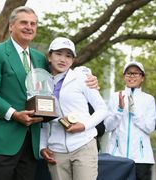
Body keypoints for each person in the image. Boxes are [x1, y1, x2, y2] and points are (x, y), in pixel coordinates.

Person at [0, 6, 98, 180]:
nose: (29, 27)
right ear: (11, 26)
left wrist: (88, 75)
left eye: (33, 24)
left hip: (30, 144)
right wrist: (14, 114)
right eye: (24, 22)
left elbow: (61, 70)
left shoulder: (39, 58)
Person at [39, 37, 109, 180]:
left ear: (72, 60)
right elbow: (43, 119)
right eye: (58, 53)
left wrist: (83, 126)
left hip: (83, 145)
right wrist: (42, 146)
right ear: (49, 56)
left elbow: (102, 109)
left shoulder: (82, 78)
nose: (63, 59)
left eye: (68, 55)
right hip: (55, 150)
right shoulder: (41, 83)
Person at [104, 61, 156, 180]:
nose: (132, 76)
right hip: (116, 156)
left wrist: (134, 113)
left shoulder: (148, 99)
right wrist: (119, 110)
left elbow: (150, 127)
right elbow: (108, 126)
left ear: (142, 77)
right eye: (128, 73)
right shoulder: (115, 96)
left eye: (136, 73)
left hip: (141, 159)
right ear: (124, 77)